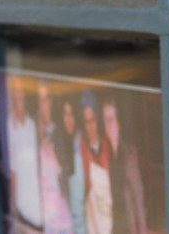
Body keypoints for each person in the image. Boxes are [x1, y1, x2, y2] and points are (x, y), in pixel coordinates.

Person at [102, 96, 147, 234]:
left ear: (119, 122)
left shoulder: (128, 155)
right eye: (105, 120)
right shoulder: (104, 151)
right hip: (112, 225)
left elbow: (138, 199)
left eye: (112, 119)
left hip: (129, 227)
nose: (109, 124)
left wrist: (142, 231)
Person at [37, 83, 75, 234]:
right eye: (40, 99)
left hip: (59, 202)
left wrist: (56, 163)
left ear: (50, 102)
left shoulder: (58, 132)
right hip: (44, 205)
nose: (43, 103)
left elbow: (67, 169)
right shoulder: (37, 130)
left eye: (46, 98)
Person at [7, 77, 43, 231]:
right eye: (16, 93)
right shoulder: (10, 126)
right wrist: (14, 206)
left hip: (38, 197)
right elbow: (13, 171)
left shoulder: (31, 124)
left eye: (21, 92)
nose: (19, 96)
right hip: (24, 202)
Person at [79, 91, 113, 234]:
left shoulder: (107, 145)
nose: (90, 126)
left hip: (109, 214)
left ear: (97, 120)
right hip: (93, 217)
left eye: (92, 120)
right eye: (87, 122)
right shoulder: (82, 148)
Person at [57, 98, 88, 234]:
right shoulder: (59, 142)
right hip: (67, 218)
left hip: (84, 218)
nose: (69, 119)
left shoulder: (82, 139)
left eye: (71, 114)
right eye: (65, 114)